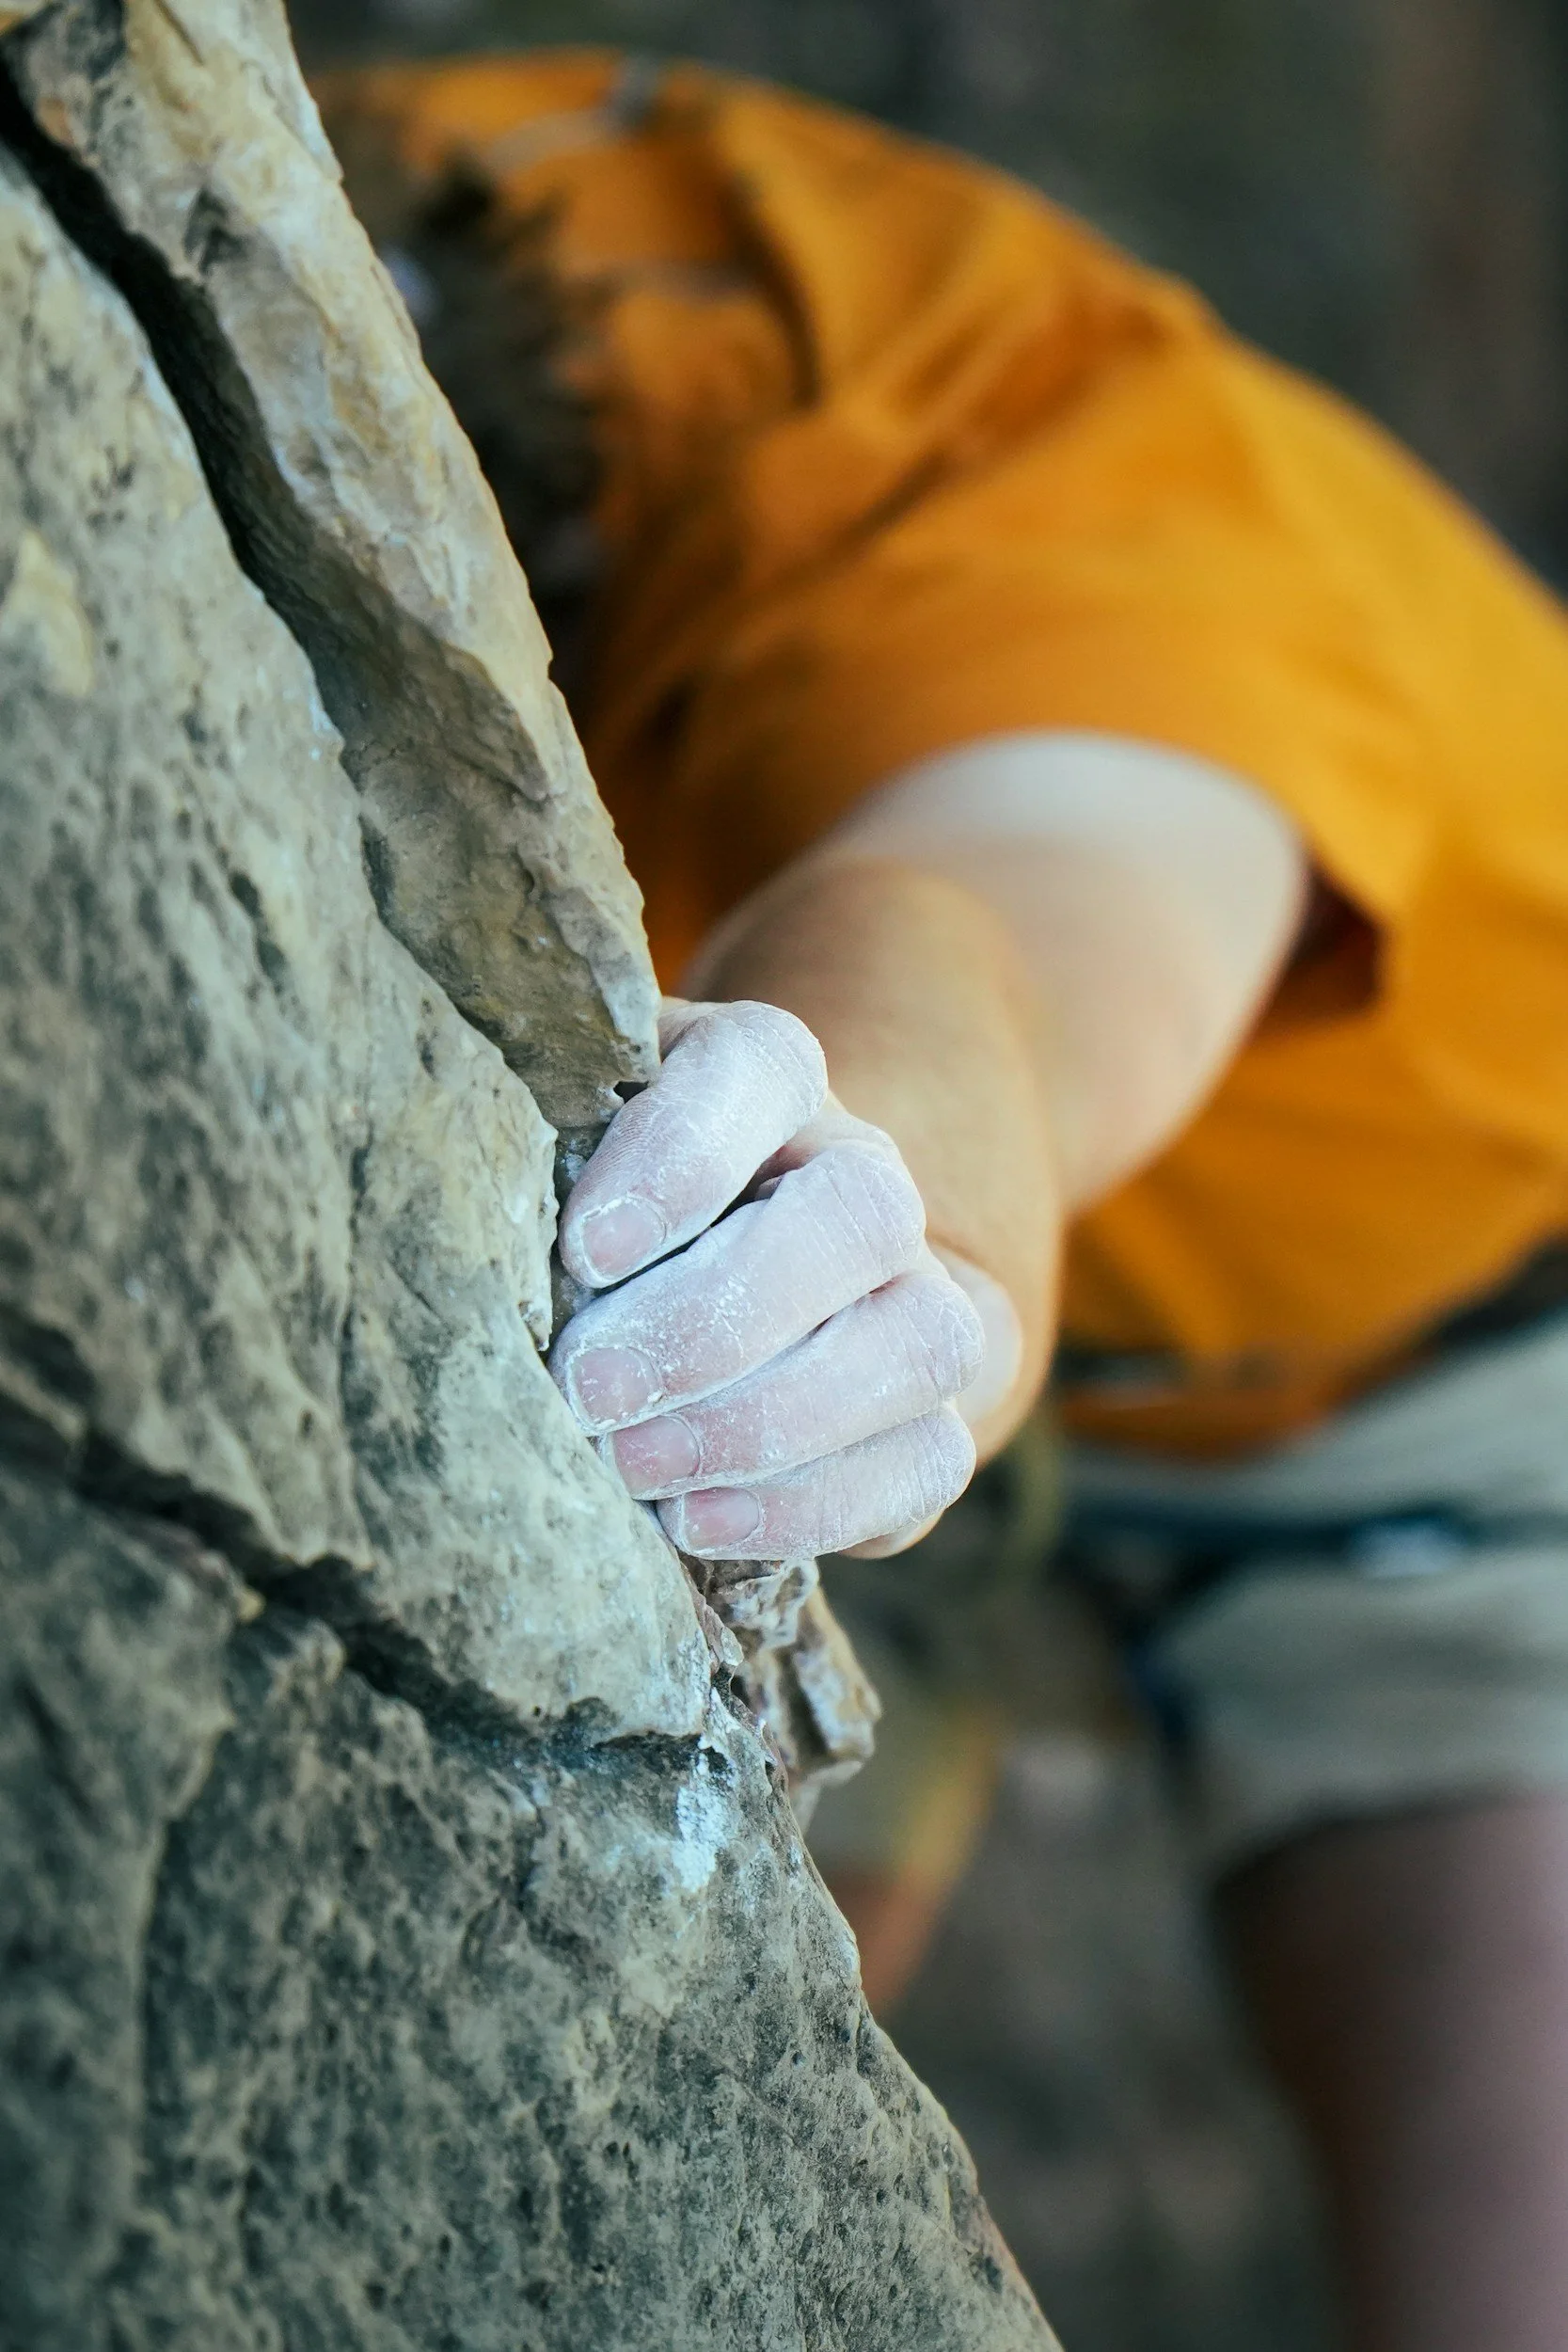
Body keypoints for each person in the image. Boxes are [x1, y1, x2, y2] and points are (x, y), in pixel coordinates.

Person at [320, 51, 1568, 2350]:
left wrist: (895, 1210)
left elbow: (1019, 906)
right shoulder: (216, 181)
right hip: (831, 1306)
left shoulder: (969, 488)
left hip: (1444, 1367)